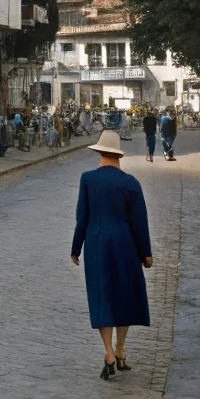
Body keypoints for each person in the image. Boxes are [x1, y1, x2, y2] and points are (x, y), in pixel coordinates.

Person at [71, 129, 153, 381]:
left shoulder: (88, 179)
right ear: (118, 155)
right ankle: (121, 348)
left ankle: (108, 353)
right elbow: (140, 222)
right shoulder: (130, 183)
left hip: (96, 244)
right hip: (124, 244)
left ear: (99, 152)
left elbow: (82, 217)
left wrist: (76, 248)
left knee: (102, 296)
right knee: (123, 295)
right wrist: (146, 253)